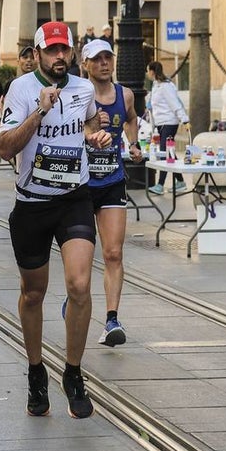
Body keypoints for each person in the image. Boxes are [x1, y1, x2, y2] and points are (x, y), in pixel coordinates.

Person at [0, 21, 112, 419]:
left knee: (79, 285)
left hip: (73, 198)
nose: (59, 56)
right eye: (52, 50)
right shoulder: (20, 90)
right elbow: (4, 148)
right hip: (31, 203)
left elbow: (91, 121)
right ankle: (35, 371)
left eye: (64, 49)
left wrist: (94, 135)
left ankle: (74, 373)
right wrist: (40, 112)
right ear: (37, 54)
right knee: (33, 293)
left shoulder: (83, 88)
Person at [81, 40, 143, 346]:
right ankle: (75, 298)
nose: (104, 63)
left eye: (108, 57)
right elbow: (65, 127)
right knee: (80, 257)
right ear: (86, 64)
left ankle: (112, 320)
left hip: (112, 181)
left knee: (113, 252)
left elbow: (131, 118)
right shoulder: (77, 94)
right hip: (80, 184)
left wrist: (133, 143)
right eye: (97, 59)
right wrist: (89, 130)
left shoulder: (125, 94)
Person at [145, 61, 189, 194]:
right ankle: (180, 182)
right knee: (170, 153)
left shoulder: (166, 86)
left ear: (152, 71)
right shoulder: (156, 85)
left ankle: (160, 184)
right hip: (161, 123)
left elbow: (175, 103)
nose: (147, 73)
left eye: (148, 70)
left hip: (169, 123)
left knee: (165, 152)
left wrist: (185, 120)